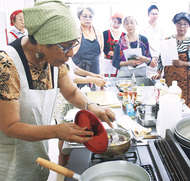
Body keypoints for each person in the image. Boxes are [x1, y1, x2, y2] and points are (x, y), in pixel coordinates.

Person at [0, 1, 115, 180]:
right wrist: (57, 130)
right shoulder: (6, 64)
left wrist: (91, 106)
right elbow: (10, 126)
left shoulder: (55, 59)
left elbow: (70, 91)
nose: (71, 54)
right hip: (10, 162)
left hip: (38, 152)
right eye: (65, 47)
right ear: (41, 42)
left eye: (73, 44)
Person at [152, 12, 190, 107]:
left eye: (185, 24)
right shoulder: (168, 40)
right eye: (179, 23)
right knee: (169, 102)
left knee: (184, 104)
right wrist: (159, 73)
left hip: (186, 80)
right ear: (175, 25)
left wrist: (182, 63)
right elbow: (161, 59)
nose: (182, 27)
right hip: (169, 78)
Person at [72, 6, 103, 76]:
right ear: (79, 16)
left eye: (90, 16)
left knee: (96, 86)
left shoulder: (98, 32)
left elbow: (100, 51)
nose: (88, 19)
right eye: (85, 16)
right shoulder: (75, 32)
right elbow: (70, 53)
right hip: (79, 69)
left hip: (95, 68)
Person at [140, 5, 165, 77]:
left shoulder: (161, 27)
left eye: (156, 14)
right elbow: (142, 46)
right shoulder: (143, 28)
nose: (155, 16)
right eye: (153, 14)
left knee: (158, 81)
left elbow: (163, 44)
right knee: (147, 81)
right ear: (148, 14)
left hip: (158, 59)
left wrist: (159, 59)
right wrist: (149, 60)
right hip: (147, 59)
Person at [103, 13, 125, 77]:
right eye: (114, 22)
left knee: (120, 78)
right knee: (109, 78)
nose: (116, 25)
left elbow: (125, 49)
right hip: (108, 61)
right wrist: (113, 55)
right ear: (111, 21)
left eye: (118, 23)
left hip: (120, 61)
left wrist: (117, 57)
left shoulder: (124, 35)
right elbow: (104, 47)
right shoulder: (105, 33)